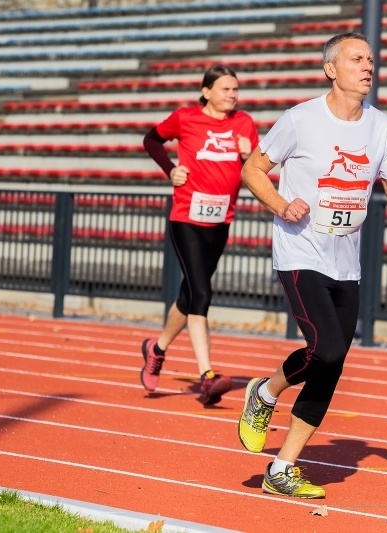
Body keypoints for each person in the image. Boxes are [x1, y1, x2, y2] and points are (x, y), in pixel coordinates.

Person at [237, 32, 387, 498]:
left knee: (331, 365)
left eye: (371, 59)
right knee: (327, 348)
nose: (368, 66)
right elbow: (252, 170)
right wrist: (281, 205)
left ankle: (282, 468)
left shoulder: (384, 129)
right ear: (331, 69)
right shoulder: (300, 119)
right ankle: (266, 392)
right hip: (301, 252)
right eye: (357, 58)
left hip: (347, 262)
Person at [140, 65, 258, 404]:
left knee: (190, 295)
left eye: (235, 89)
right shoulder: (185, 118)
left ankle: (156, 347)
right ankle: (207, 375)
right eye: (225, 89)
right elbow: (151, 139)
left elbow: (257, 170)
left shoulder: (244, 123)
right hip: (187, 217)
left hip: (221, 219)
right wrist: (170, 170)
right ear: (206, 91)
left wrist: (249, 156)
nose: (232, 95)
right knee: (202, 292)